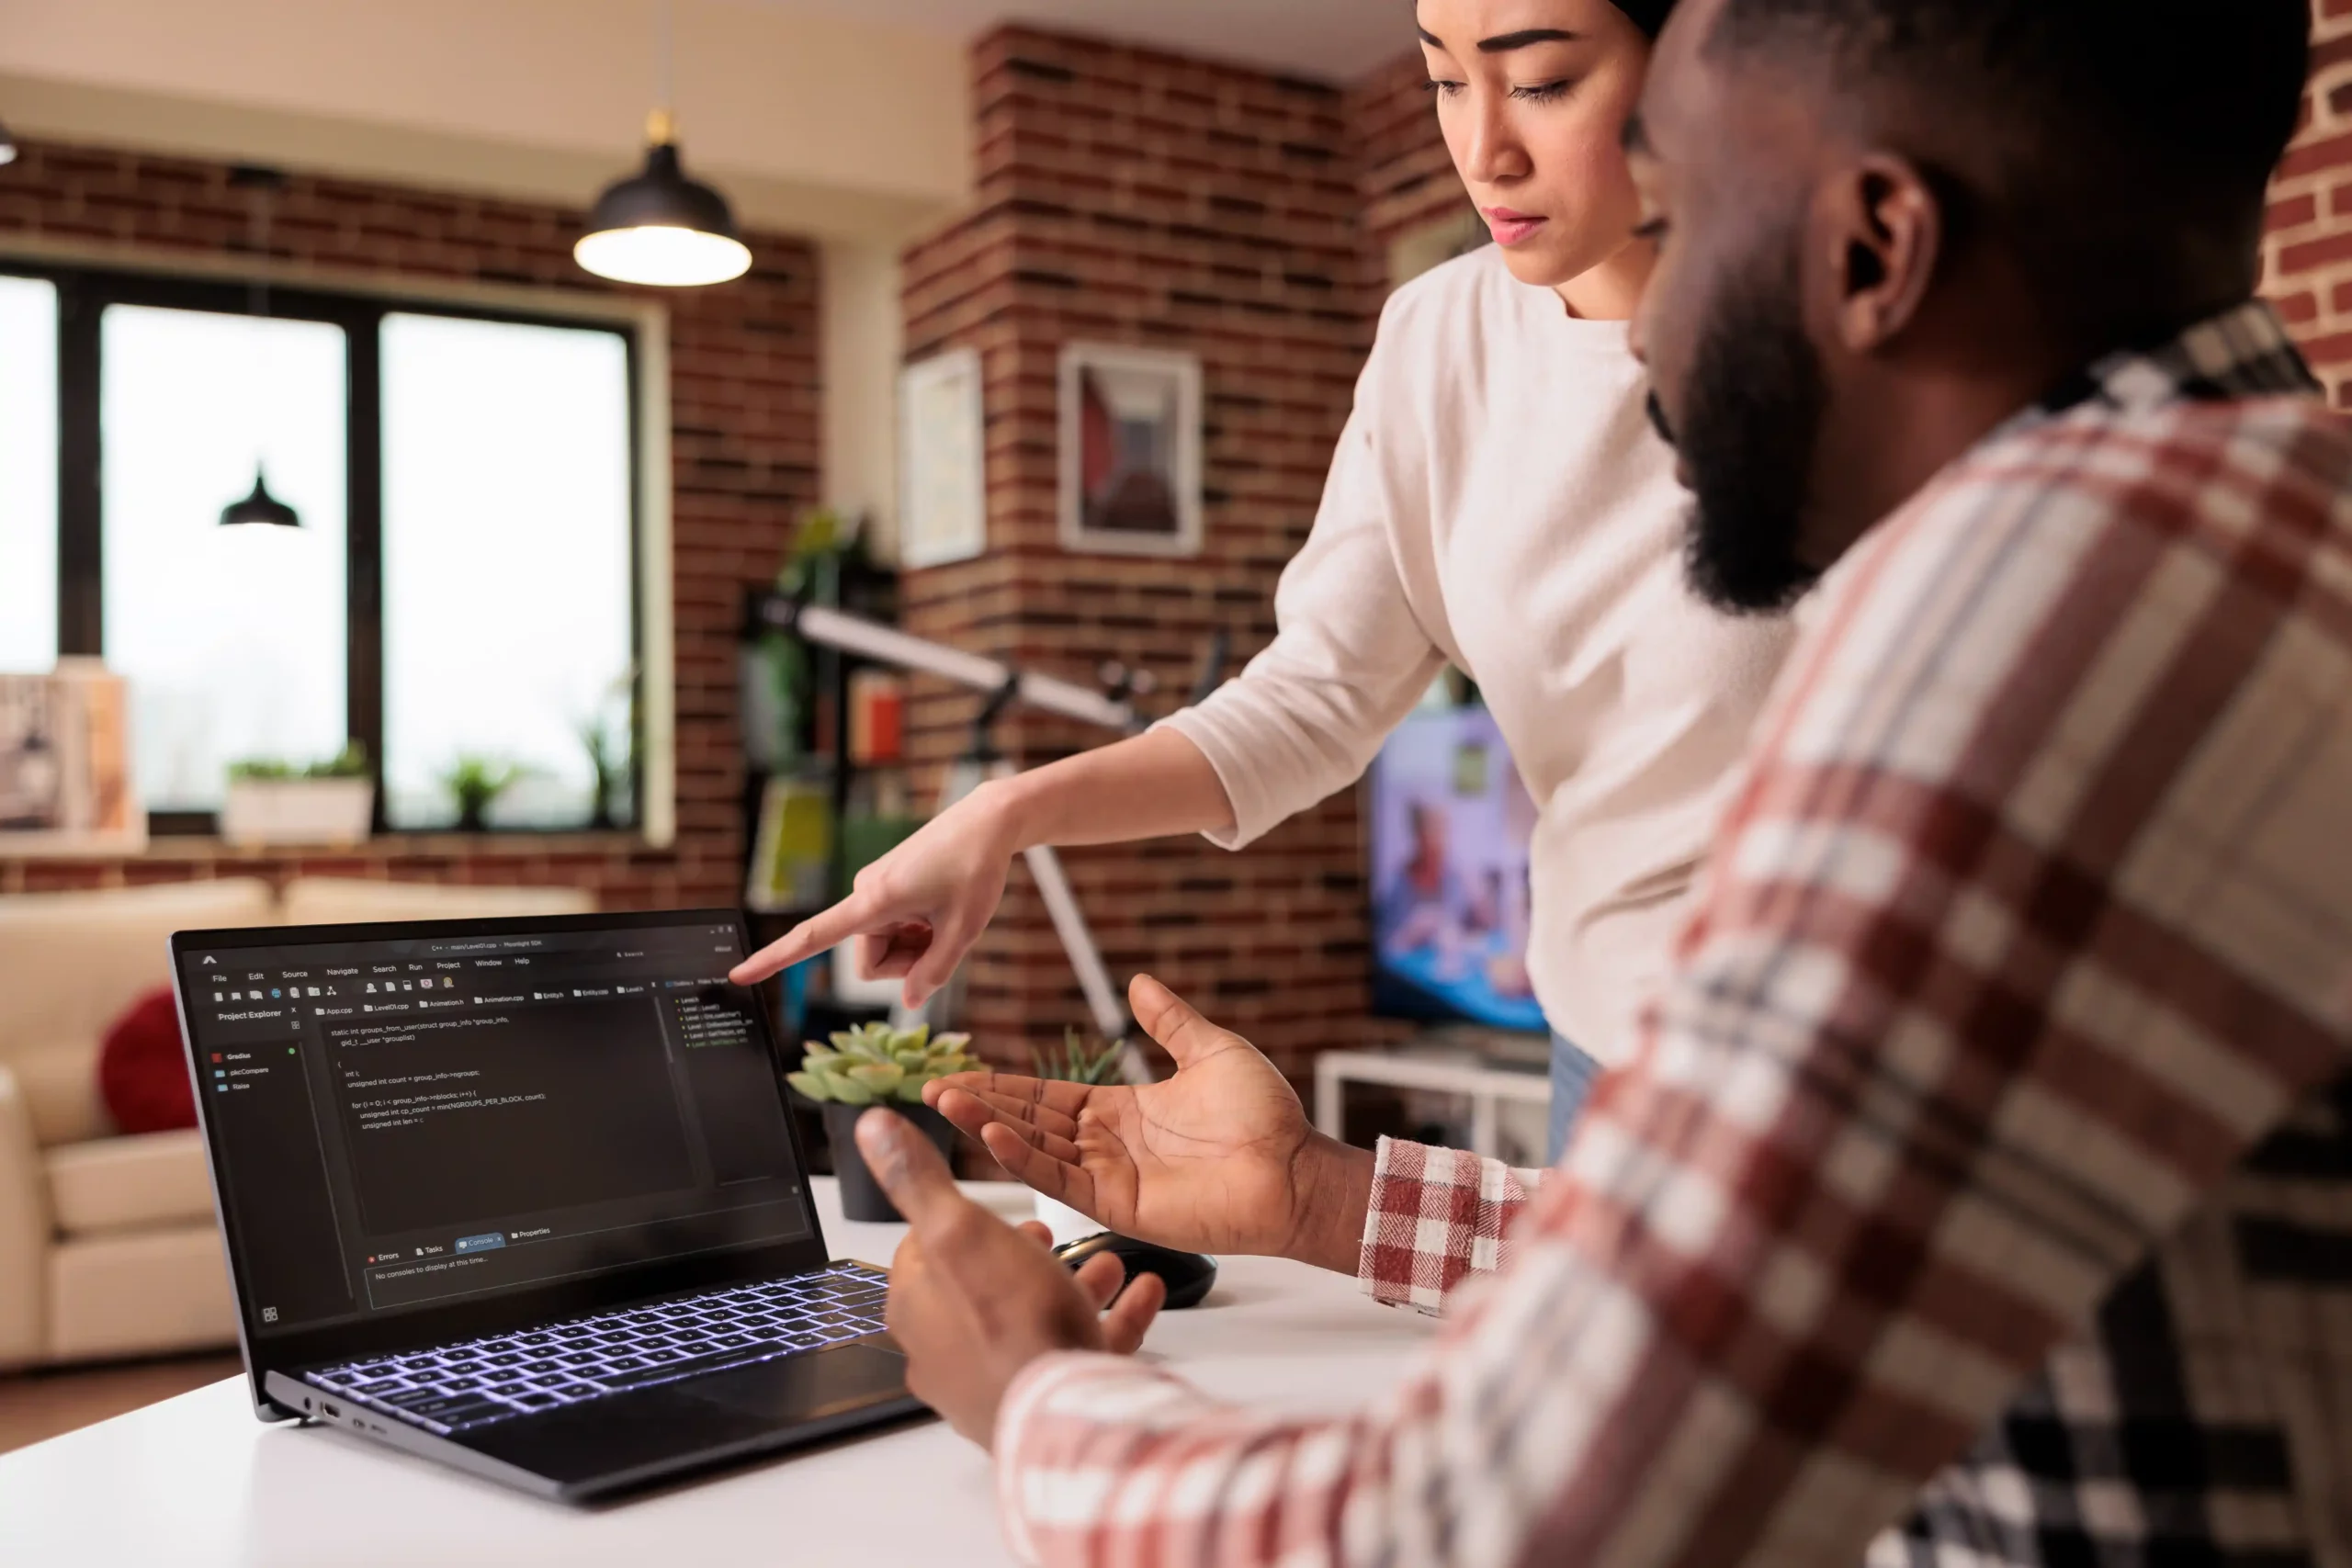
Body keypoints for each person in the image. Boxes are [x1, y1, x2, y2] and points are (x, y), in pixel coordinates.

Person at [846, 0, 2352, 1563]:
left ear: (1873, 248)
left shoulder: (2029, 662)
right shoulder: (2256, 516)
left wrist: (1034, 1391)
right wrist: (1320, 1197)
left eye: (1687, 211)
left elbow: (1510, 1514)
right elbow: (1770, 1284)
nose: (1635, 338)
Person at [736, 0, 1797, 1159]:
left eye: (1540, 83)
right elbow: (1315, 696)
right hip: (1600, 1031)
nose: (1483, 149)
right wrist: (999, 816)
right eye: (1445, 83)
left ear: (1694, 59)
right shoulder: (1438, 338)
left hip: (1828, 1033)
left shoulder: (1843, 332)